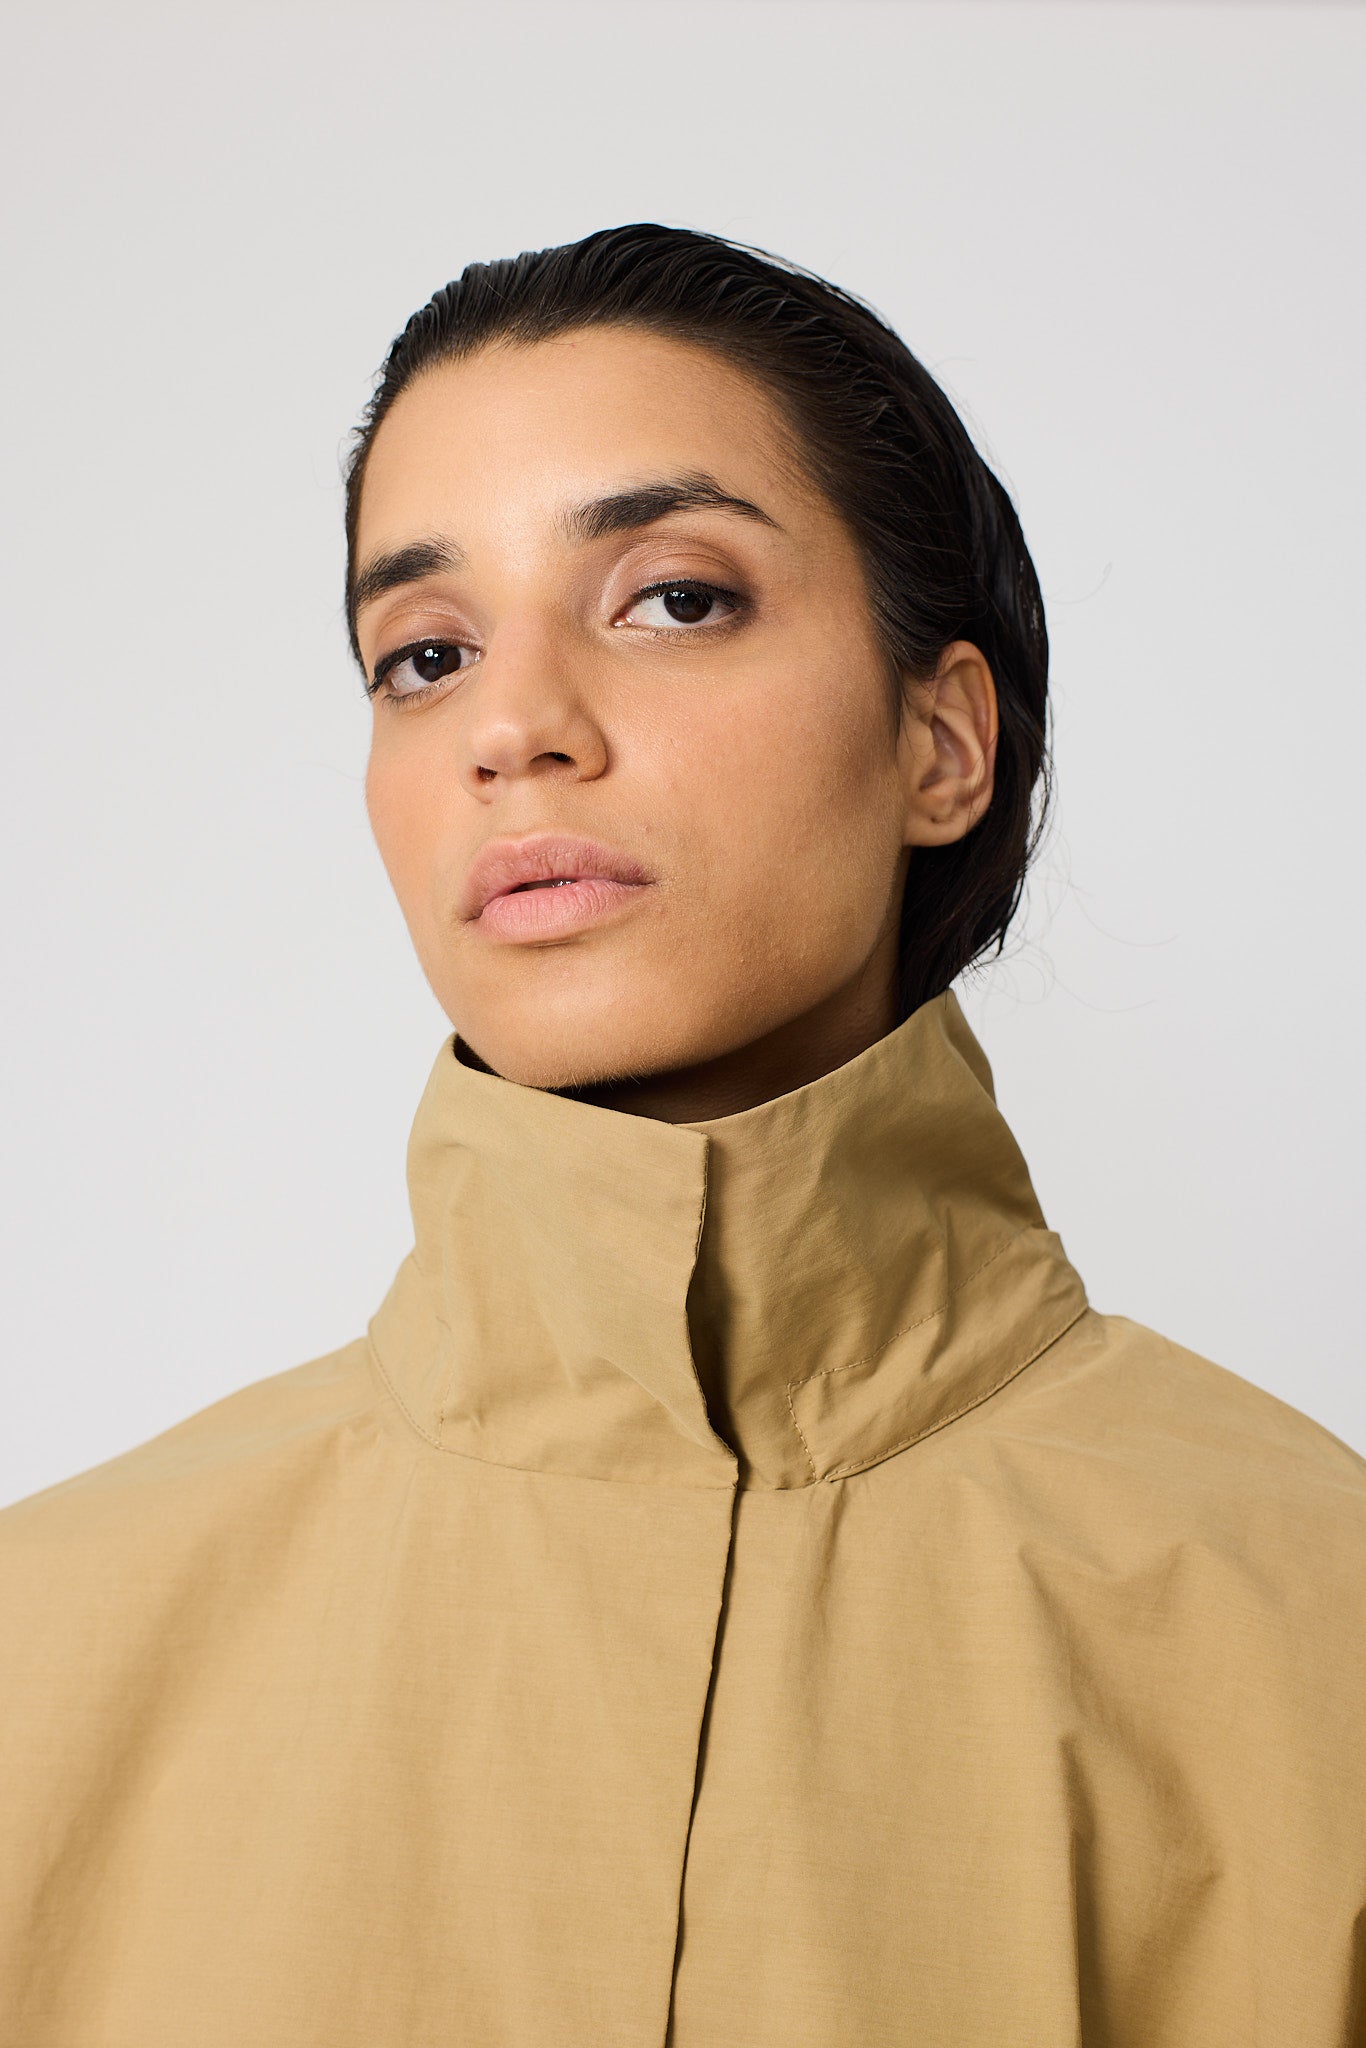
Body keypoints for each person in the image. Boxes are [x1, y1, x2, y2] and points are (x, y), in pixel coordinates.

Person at [2, 222, 1363, 2047]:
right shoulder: (48, 1649)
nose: (513, 726)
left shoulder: (1314, 1626)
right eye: (424, 652)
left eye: (672, 598)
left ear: (939, 741)